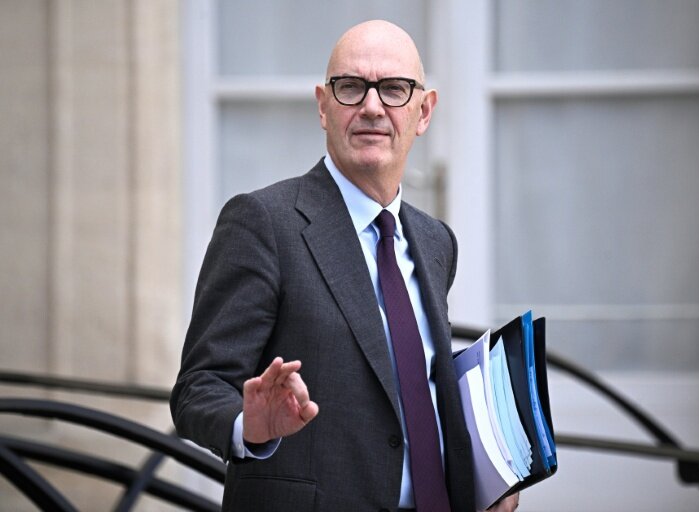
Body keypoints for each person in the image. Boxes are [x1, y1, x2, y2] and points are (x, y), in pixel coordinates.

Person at [170, 20, 519, 512]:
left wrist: (483, 480)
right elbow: (197, 389)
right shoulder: (263, 223)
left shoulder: (436, 242)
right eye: (351, 87)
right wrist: (249, 426)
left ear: (424, 111)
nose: (372, 107)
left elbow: (419, 397)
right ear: (323, 105)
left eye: (394, 89)